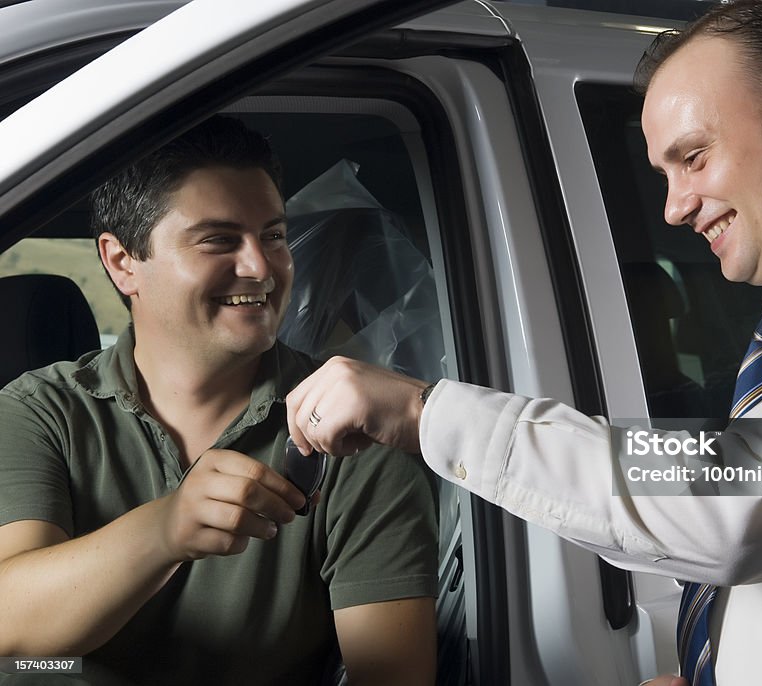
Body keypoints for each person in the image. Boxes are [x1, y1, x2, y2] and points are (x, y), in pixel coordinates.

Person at [283, 1, 762, 685]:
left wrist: (425, 413)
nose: (674, 207)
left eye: (694, 157)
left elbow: (741, 495)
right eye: (664, 174)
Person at [0, 116, 439, 685]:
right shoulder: (40, 411)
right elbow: (11, 624)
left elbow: (393, 679)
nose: (261, 267)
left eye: (275, 236)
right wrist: (167, 531)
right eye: (218, 240)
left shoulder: (355, 435)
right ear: (121, 262)